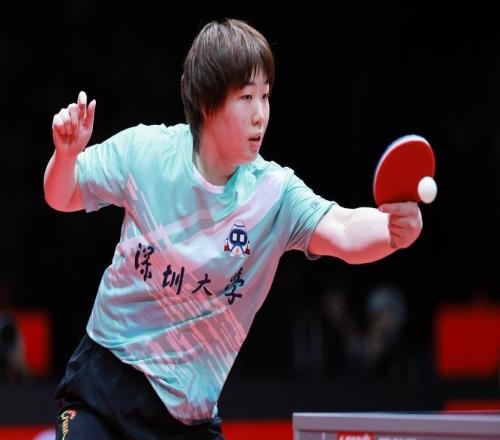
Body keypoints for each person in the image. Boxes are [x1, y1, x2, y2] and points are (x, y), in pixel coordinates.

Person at [44, 18, 422, 440]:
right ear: (208, 102)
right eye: (246, 97)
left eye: (265, 96)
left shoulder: (273, 194)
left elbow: (345, 229)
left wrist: (392, 229)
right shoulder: (145, 154)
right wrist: (66, 156)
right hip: (105, 388)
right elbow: (63, 194)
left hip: (187, 420)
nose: (260, 114)